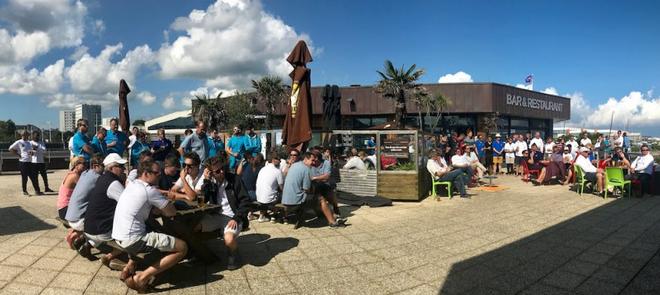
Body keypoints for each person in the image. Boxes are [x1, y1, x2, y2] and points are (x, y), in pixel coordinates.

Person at [112, 159, 187, 292]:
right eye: (156, 173)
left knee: (152, 229)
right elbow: (171, 212)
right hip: (133, 240)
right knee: (182, 247)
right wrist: (168, 202)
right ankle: (141, 279)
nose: (159, 174)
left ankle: (128, 268)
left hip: (118, 235)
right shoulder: (149, 191)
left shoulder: (132, 184)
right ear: (146, 174)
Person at [192, 156, 249, 270]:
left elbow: (245, 201)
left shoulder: (235, 179)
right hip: (215, 216)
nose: (222, 171)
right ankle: (197, 254)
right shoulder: (210, 182)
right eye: (217, 171)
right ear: (211, 173)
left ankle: (232, 255)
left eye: (222, 168)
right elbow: (202, 202)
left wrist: (237, 218)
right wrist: (206, 182)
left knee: (229, 239)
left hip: (233, 217)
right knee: (193, 228)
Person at [83, 153, 127, 271]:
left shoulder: (103, 178)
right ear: (112, 168)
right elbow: (128, 205)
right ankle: (110, 257)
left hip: (89, 227)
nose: (124, 169)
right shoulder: (113, 183)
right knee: (133, 233)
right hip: (100, 231)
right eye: (121, 166)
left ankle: (90, 243)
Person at [65, 155, 104, 257]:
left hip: (70, 216)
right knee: (104, 227)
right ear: (95, 166)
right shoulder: (98, 178)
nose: (105, 169)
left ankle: (79, 237)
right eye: (103, 166)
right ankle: (85, 242)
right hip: (79, 220)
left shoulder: (84, 174)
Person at [310, 149, 344, 227]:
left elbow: (326, 177)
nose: (312, 160)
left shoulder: (326, 163)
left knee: (331, 192)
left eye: (313, 158)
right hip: (315, 186)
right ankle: (324, 213)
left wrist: (314, 178)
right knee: (320, 197)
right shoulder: (310, 164)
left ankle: (335, 208)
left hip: (325, 184)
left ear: (317, 158)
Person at [58, 156, 86, 243]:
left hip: (62, 208)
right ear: (76, 165)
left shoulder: (70, 173)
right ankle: (73, 237)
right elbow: (85, 190)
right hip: (66, 210)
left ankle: (73, 235)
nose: (85, 166)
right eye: (83, 164)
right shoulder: (75, 176)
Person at [282, 152, 314, 227]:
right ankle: (301, 219)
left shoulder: (293, 165)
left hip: (285, 200)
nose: (313, 162)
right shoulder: (306, 169)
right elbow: (306, 189)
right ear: (306, 159)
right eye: (312, 160)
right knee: (317, 197)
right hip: (295, 202)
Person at [10, 131, 42, 196]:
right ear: (22, 135)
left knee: (33, 177)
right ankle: (24, 191)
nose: (26, 136)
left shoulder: (29, 143)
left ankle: (37, 191)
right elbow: (10, 148)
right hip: (23, 162)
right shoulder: (19, 142)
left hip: (30, 161)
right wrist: (18, 155)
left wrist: (32, 152)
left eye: (27, 135)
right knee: (25, 177)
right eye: (24, 135)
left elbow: (32, 151)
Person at [256, 153, 284, 223]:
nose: (280, 161)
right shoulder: (277, 171)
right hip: (269, 200)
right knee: (281, 195)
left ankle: (261, 216)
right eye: (278, 159)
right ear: (273, 160)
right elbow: (281, 188)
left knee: (267, 193)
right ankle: (274, 216)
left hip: (259, 197)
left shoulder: (263, 169)